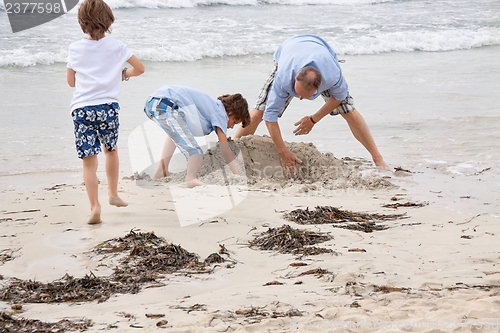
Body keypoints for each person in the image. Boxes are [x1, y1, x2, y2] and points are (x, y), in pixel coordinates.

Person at [235, 34, 388, 176]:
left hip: (321, 50)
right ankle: (231, 153)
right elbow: (270, 116)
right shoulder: (284, 77)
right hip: (289, 50)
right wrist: (283, 152)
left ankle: (378, 159)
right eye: (297, 93)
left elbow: (339, 97)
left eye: (305, 96)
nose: (299, 98)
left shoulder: (332, 75)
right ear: (295, 78)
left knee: (349, 112)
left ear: (320, 87)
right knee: (259, 112)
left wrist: (313, 119)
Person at [67, 0, 145, 224]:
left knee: (89, 161)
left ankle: (94, 207)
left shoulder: (75, 48)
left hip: (82, 109)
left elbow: (71, 82)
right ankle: (113, 193)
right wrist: (122, 74)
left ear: (82, 23)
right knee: (110, 150)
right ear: (109, 21)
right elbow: (140, 69)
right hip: (108, 108)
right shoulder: (117, 47)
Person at [143, 85, 251, 188]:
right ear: (231, 112)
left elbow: (174, 137)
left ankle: (162, 170)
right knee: (195, 152)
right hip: (165, 105)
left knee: (176, 136)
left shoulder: (211, 108)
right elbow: (225, 148)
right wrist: (237, 174)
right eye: (235, 122)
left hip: (154, 102)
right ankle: (191, 178)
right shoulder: (221, 113)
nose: (232, 127)